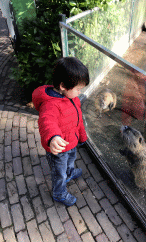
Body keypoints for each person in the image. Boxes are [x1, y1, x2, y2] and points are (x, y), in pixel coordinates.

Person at [32, 57, 89, 206]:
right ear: (63, 85)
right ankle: (59, 193)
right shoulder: (50, 105)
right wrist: (53, 137)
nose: (79, 92)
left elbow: (78, 120)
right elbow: (47, 122)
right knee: (59, 174)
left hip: (71, 143)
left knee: (71, 161)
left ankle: (70, 173)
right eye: (78, 88)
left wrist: (82, 136)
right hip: (58, 149)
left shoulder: (73, 98)